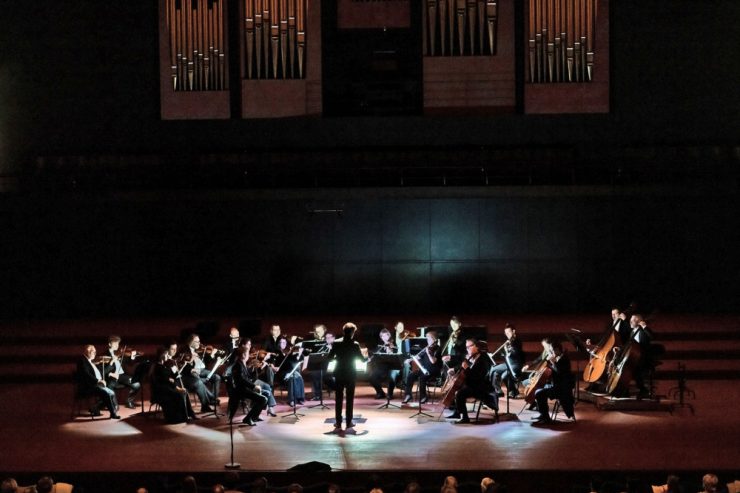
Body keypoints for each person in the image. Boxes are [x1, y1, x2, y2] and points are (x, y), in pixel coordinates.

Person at [446, 338, 497, 424]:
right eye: (466, 347)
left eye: (469, 347)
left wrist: (467, 369)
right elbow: (463, 366)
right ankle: (457, 412)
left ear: (476, 346)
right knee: (457, 387)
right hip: (473, 384)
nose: (467, 349)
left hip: (481, 387)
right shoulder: (472, 357)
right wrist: (454, 370)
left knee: (460, 393)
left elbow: (478, 377)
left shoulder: (483, 359)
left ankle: (465, 417)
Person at [327, 322, 366, 432]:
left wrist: (338, 359)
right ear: (353, 332)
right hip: (350, 373)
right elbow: (362, 359)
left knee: (338, 398)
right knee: (350, 399)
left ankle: (338, 423)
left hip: (339, 372)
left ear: (343, 331)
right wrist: (368, 358)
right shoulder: (355, 344)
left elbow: (329, 358)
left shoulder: (336, 343)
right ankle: (349, 422)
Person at [532, 340, 575, 424]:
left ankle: (545, 418)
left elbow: (559, 372)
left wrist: (553, 362)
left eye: (552, 350)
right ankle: (543, 415)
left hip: (562, 390)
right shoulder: (559, 358)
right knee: (538, 389)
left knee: (539, 393)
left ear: (558, 349)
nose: (552, 353)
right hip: (557, 386)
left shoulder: (564, 359)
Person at [151, 346, 197, 423]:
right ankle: (180, 417)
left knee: (184, 392)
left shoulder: (164, 365)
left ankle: (189, 413)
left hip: (167, 388)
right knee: (180, 394)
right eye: (166, 354)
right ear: (161, 355)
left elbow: (173, 376)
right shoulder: (158, 366)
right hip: (161, 391)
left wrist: (181, 367)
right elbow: (166, 380)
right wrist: (177, 388)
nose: (167, 356)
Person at [75, 345, 121, 419]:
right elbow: (86, 375)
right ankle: (113, 413)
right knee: (106, 393)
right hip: (87, 387)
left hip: (95, 385)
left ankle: (95, 408)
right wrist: (98, 381)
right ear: (88, 352)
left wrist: (110, 363)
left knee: (112, 393)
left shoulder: (91, 362)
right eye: (94, 352)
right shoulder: (82, 361)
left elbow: (102, 372)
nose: (95, 354)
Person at [179, 333, 221, 413]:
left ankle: (212, 399)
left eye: (199, 341)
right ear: (191, 342)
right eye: (197, 342)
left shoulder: (197, 350)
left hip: (201, 370)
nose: (199, 343)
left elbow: (206, 362)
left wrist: (212, 355)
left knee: (217, 377)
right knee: (199, 380)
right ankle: (210, 401)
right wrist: (191, 368)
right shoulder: (184, 350)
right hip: (191, 373)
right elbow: (182, 365)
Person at [229, 346, 268, 426]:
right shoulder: (238, 365)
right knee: (263, 399)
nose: (249, 355)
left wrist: (256, 369)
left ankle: (254, 417)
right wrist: (254, 386)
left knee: (266, 395)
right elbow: (241, 380)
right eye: (247, 353)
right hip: (240, 390)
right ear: (243, 355)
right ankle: (248, 418)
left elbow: (248, 377)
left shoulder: (242, 364)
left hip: (245, 388)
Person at [102, 335, 142, 409]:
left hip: (122, 376)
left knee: (137, 384)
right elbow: (103, 370)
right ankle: (109, 405)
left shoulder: (120, 353)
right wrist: (111, 373)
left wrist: (132, 357)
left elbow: (129, 363)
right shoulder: (104, 355)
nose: (117, 345)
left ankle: (129, 401)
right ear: (109, 344)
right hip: (112, 376)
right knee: (109, 387)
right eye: (115, 343)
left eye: (118, 343)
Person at [402, 330, 442, 404]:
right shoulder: (426, 348)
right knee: (410, 376)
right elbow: (417, 357)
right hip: (424, 369)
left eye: (429, 339)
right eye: (427, 339)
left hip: (433, 370)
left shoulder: (438, 349)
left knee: (422, 377)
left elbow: (433, 361)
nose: (428, 340)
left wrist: (429, 353)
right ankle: (408, 395)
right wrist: (410, 360)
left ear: (434, 339)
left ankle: (423, 397)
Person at [269, 336, 306, 406]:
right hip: (281, 373)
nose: (283, 344)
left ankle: (300, 398)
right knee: (292, 379)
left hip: (290, 371)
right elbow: (271, 363)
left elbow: (295, 360)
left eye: (284, 342)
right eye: (281, 342)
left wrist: (299, 354)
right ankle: (291, 400)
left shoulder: (288, 352)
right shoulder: (276, 352)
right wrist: (274, 367)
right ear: (278, 343)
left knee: (299, 377)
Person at [490, 323, 524, 398]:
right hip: (509, 364)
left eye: (509, 332)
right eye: (506, 333)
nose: (507, 334)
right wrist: (505, 351)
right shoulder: (509, 342)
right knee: (497, 373)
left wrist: (509, 350)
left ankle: (493, 390)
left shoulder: (517, 341)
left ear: (513, 331)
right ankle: (500, 391)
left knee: (493, 369)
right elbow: (506, 356)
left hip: (515, 364)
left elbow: (516, 353)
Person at [368, 328, 401, 399]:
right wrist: (370, 358)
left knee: (391, 378)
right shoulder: (380, 346)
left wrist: (390, 350)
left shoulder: (394, 344)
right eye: (382, 336)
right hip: (383, 367)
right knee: (372, 377)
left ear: (389, 336)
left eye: (386, 336)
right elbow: (374, 354)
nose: (384, 338)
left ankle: (390, 394)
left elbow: (396, 356)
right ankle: (380, 392)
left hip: (393, 367)